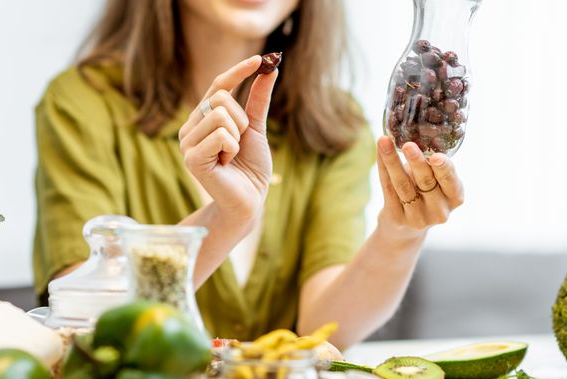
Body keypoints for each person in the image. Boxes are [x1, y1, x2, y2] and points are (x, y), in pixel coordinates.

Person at [33, 0, 463, 350]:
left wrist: (400, 233)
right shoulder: (83, 103)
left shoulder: (338, 125)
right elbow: (85, 321)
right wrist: (227, 216)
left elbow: (324, 327)